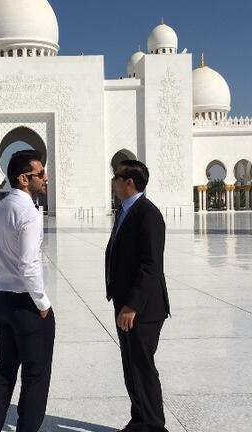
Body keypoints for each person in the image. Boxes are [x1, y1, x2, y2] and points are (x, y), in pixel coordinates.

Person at [0, 150, 54, 432]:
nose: (46, 179)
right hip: (27, 306)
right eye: (40, 174)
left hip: (2, 301)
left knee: (5, 370)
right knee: (36, 377)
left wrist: (2, 285)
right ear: (24, 179)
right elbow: (29, 265)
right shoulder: (29, 213)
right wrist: (43, 303)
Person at [105, 160, 171, 432]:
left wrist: (132, 305)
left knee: (143, 368)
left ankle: (154, 426)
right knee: (131, 366)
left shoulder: (148, 214)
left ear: (128, 181)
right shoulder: (125, 211)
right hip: (127, 304)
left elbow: (151, 266)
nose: (113, 181)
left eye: (116, 177)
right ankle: (140, 419)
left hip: (142, 308)